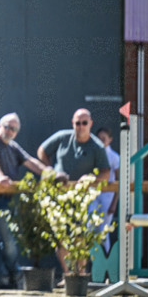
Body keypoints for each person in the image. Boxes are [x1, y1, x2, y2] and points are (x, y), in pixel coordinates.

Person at [0, 113, 51, 289]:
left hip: (9, 200)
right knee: (8, 241)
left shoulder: (13, 146)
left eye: (14, 129)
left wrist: (50, 174)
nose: (9, 131)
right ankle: (16, 274)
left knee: (1, 241)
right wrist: (0, 176)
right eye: (7, 127)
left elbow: (31, 162)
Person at [37, 108, 110, 278]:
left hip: (83, 198)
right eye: (78, 123)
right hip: (59, 196)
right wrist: (50, 170)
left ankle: (81, 274)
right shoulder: (63, 137)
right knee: (60, 236)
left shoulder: (97, 146)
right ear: (73, 123)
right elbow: (42, 151)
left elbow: (105, 172)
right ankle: (68, 274)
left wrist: (91, 179)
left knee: (81, 237)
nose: (81, 126)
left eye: (84, 123)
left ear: (90, 124)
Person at [91, 126, 120, 255]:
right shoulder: (93, 154)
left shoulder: (114, 157)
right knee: (90, 227)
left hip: (107, 196)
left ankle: (105, 261)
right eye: (98, 138)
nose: (101, 141)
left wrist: (114, 203)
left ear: (110, 140)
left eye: (104, 139)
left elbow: (118, 181)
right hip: (93, 194)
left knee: (103, 231)